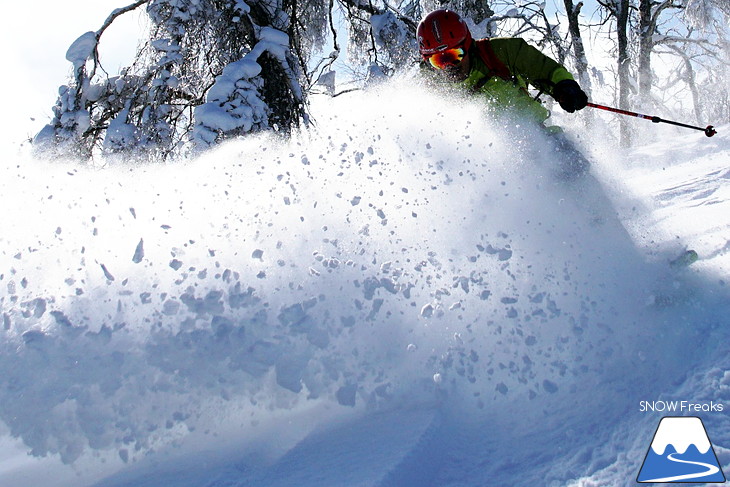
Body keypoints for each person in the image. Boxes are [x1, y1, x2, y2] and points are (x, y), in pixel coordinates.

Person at [416, 9, 590, 178]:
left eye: (454, 55)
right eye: (438, 60)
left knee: (576, 170)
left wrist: (565, 86)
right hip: (489, 164)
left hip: (542, 140)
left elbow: (546, 69)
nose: (449, 67)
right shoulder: (429, 86)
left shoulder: (500, 52)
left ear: (467, 45)